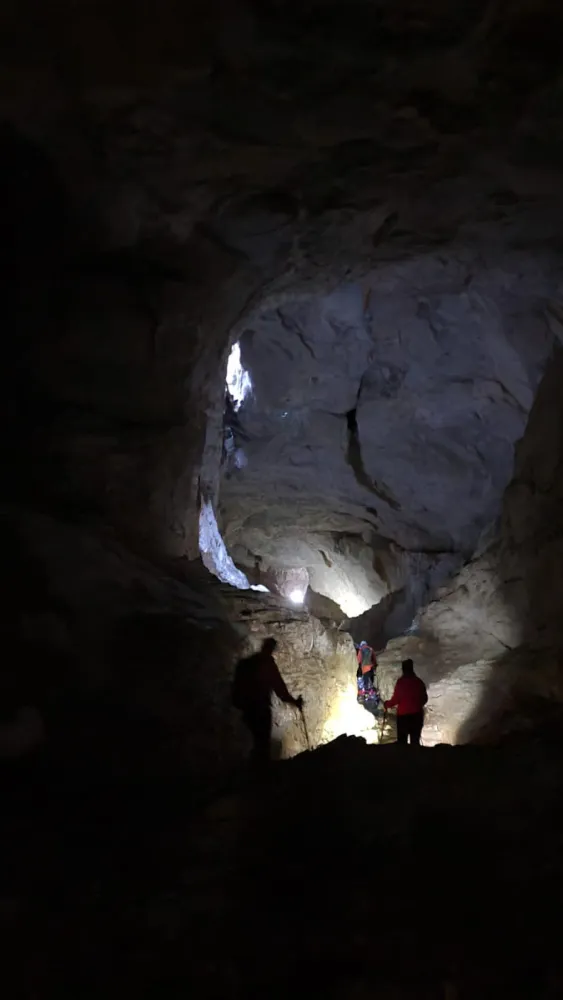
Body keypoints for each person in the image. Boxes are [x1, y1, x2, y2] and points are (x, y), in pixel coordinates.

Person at [232, 637, 303, 763]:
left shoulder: (249, 662)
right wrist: (295, 702)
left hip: (247, 710)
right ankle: (261, 770)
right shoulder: (267, 664)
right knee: (262, 743)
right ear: (271, 649)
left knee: (255, 741)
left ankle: (253, 767)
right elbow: (280, 689)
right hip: (260, 709)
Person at [384, 658, 428, 746]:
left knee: (402, 742)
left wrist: (387, 704)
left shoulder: (401, 683)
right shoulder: (418, 682)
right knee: (415, 741)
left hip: (403, 717)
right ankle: (414, 754)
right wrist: (417, 705)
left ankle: (403, 754)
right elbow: (424, 698)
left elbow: (396, 699)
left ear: (403, 669)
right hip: (416, 716)